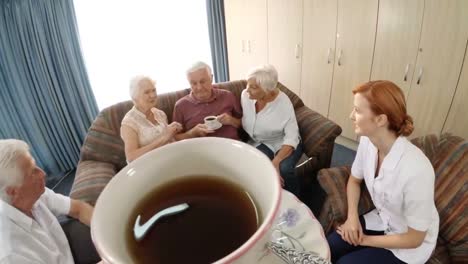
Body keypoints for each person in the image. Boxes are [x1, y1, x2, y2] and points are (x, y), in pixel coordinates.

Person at [327, 80, 439, 264]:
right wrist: (352, 218)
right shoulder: (367, 141)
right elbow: (354, 181)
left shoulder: (417, 170)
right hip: (383, 220)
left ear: (380, 119)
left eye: (358, 110)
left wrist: (364, 240)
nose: (351, 115)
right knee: (330, 246)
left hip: (408, 243)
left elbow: (415, 238)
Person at [0, 139, 99, 264]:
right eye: (32, 173)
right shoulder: (11, 254)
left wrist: (107, 231)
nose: (43, 173)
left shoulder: (35, 194)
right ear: (13, 191)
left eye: (35, 165)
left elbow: (79, 209)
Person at [241, 65, 302, 197]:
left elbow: (291, 136)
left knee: (284, 169)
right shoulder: (246, 97)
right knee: (256, 164)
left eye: (253, 87)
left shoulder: (283, 103)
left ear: (267, 90)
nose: (247, 90)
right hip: (262, 142)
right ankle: (269, 196)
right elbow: (247, 122)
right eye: (247, 84)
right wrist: (230, 120)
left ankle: (294, 198)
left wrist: (276, 162)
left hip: (284, 141)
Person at [173, 61, 242, 140]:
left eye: (202, 82)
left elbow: (244, 124)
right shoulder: (180, 106)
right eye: (194, 83)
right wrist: (192, 133)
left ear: (211, 78)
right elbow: (174, 138)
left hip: (232, 147)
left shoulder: (228, 96)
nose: (199, 88)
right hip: (200, 150)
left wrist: (231, 120)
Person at [121, 76, 182, 162]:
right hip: (149, 166)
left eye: (154, 90)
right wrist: (164, 137)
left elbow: (169, 139)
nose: (153, 95)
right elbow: (131, 157)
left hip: (169, 158)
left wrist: (172, 130)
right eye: (147, 92)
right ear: (135, 97)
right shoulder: (129, 123)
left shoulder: (160, 114)